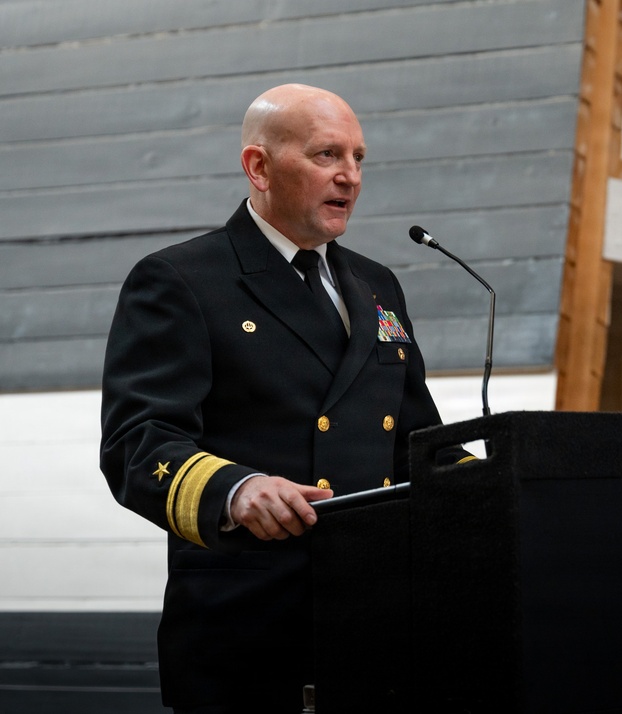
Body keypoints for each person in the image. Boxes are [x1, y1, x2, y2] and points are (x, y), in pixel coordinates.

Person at [100, 84, 470, 714]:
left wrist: (494, 482)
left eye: (358, 158)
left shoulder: (378, 284)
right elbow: (138, 443)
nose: (349, 177)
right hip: (251, 627)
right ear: (258, 167)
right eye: (327, 155)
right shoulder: (182, 279)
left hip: (376, 619)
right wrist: (235, 491)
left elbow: (414, 440)